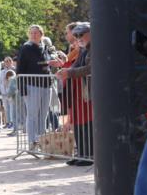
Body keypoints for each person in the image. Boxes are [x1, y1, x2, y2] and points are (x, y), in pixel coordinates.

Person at [16, 24, 59, 150]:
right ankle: (32, 142)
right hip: (31, 85)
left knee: (44, 114)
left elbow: (46, 65)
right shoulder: (26, 48)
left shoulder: (45, 48)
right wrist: (22, 88)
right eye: (31, 33)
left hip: (46, 84)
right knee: (32, 114)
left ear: (41, 34)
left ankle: (42, 140)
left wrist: (54, 62)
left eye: (36, 32)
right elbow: (20, 69)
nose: (34, 35)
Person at [57, 22, 93, 166]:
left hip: (89, 91)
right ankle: (82, 153)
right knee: (78, 122)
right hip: (81, 91)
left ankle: (89, 154)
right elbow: (77, 65)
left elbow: (90, 68)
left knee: (87, 123)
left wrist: (69, 72)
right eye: (76, 35)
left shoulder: (95, 47)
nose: (78, 37)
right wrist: (65, 70)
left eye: (81, 34)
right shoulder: (84, 49)